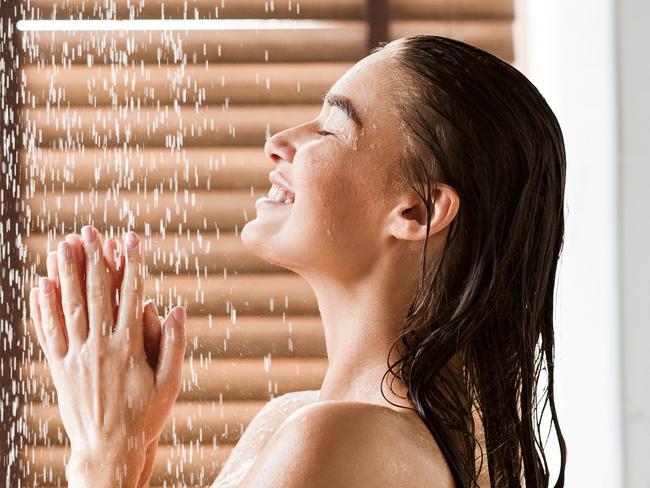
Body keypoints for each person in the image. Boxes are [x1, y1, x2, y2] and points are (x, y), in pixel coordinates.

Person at [30, 35, 567, 487]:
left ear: (417, 210)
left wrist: (102, 454)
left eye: (331, 128)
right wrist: (133, 454)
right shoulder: (310, 422)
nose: (278, 143)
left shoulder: (339, 439)